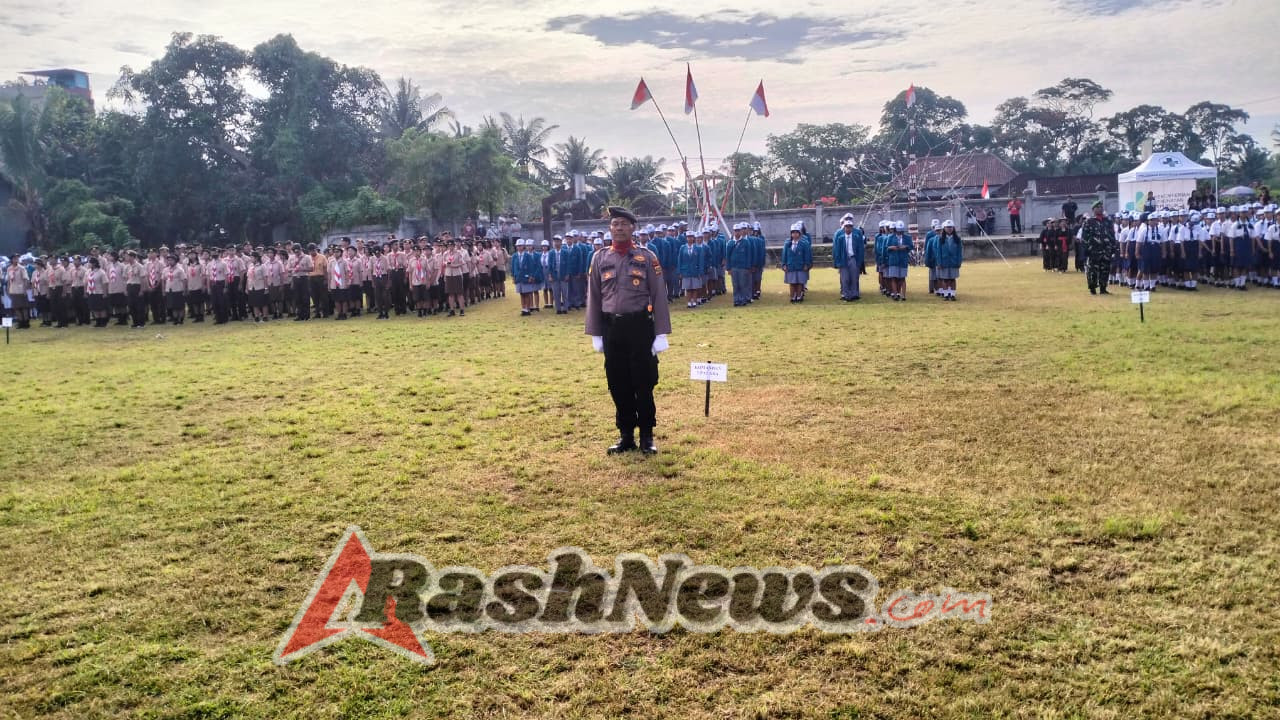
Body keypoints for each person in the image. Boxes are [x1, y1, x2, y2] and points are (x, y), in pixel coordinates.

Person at [585, 206, 671, 456]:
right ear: (610, 229)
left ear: (633, 228)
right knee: (618, 382)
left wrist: (661, 332)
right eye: (615, 224)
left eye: (624, 223)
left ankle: (646, 435)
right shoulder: (600, 258)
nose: (619, 228)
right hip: (613, 328)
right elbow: (593, 296)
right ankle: (625, 435)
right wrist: (596, 333)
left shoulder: (647, 257)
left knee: (643, 382)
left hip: (640, 326)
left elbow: (659, 295)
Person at [1081, 200, 1116, 295]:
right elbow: (1084, 237)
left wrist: (1113, 247)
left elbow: (1112, 235)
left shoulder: (1108, 221)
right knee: (1092, 270)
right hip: (1093, 251)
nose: (1100, 208)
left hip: (1106, 250)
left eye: (1101, 207)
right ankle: (1092, 288)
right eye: (1098, 207)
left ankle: (1103, 288)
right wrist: (1086, 249)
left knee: (1105, 269)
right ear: (1093, 209)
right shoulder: (1089, 222)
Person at [833, 216, 865, 301]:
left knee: (854, 277)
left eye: (850, 227)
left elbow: (860, 250)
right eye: (846, 227)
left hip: (853, 258)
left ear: (852, 227)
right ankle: (846, 295)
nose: (848, 228)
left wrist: (859, 261)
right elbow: (837, 251)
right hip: (843, 259)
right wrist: (838, 262)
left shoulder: (856, 237)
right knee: (845, 278)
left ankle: (854, 294)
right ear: (844, 227)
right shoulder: (840, 238)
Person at [782, 222, 812, 303]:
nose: (795, 234)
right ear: (791, 234)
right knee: (792, 282)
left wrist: (807, 264)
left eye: (796, 232)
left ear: (799, 233)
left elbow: (807, 255)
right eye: (793, 232)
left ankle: (799, 296)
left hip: (800, 266)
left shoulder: (804, 243)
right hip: (790, 266)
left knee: (799, 282)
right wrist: (784, 264)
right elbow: (784, 255)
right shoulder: (788, 244)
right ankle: (792, 296)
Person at [883, 221, 911, 301]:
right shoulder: (890, 237)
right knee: (893, 278)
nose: (900, 232)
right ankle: (895, 294)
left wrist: (905, 247)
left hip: (903, 260)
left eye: (901, 231)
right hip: (893, 260)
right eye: (898, 231)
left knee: (902, 278)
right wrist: (892, 247)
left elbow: (910, 246)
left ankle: (903, 295)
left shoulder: (907, 237)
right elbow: (886, 247)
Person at [935, 220, 962, 301]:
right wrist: (939, 262)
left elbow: (959, 252)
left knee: (952, 279)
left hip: (953, 261)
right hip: (944, 261)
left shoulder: (957, 239)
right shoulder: (940, 239)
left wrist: (959, 261)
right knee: (945, 279)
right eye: (947, 227)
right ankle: (946, 294)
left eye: (951, 227)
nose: (949, 229)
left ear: (953, 228)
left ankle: (952, 294)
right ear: (944, 228)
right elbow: (938, 252)